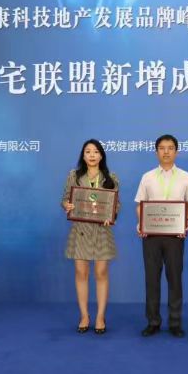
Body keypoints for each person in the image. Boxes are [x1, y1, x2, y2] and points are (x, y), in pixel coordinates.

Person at [134, 134, 188, 338]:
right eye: (162, 148)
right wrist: (142, 223)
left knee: (175, 278)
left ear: (176, 152)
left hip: (175, 236)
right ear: (156, 152)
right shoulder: (147, 177)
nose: (166, 151)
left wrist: (186, 221)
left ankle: (175, 323)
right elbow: (139, 205)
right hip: (151, 235)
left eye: (170, 148)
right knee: (152, 279)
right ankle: (153, 321)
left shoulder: (186, 177)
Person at [62, 139, 120, 335]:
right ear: (83, 155)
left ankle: (100, 316)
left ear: (101, 155)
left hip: (102, 231)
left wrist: (111, 215)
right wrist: (67, 206)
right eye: (88, 152)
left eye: (96, 151)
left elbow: (116, 204)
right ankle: (84, 316)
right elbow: (65, 199)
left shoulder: (111, 177)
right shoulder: (74, 176)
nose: (92, 155)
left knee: (101, 273)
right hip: (81, 229)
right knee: (81, 273)